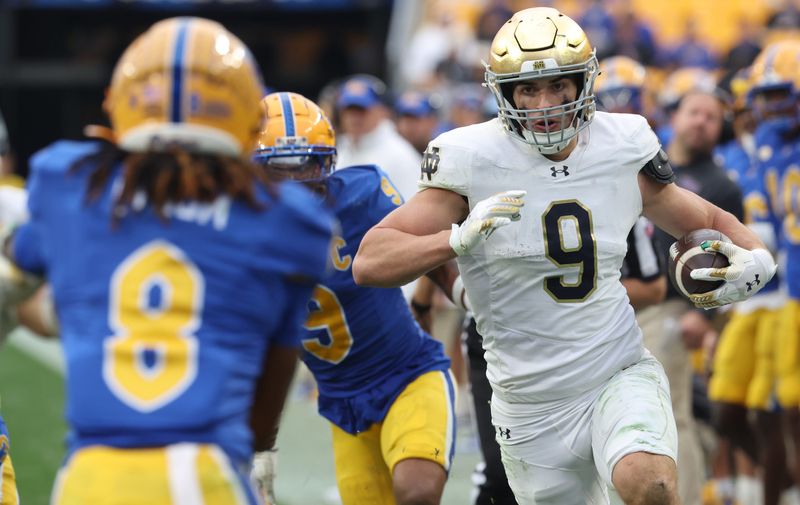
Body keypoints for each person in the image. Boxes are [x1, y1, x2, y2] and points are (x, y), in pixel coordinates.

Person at [352, 7, 777, 505]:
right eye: (528, 89)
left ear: (584, 83)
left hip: (614, 370)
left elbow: (705, 217)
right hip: (528, 402)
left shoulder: (620, 145)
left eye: (558, 85)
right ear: (503, 93)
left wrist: (757, 258)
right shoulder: (472, 159)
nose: (544, 103)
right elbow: (369, 261)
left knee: (652, 484)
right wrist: (454, 240)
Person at [6, 18, 334, 504]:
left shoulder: (70, 184)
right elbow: (267, 392)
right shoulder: (288, 221)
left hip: (89, 476)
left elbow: (19, 270)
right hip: (203, 471)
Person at [250, 92, 455, 505]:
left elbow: (421, 243)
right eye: (277, 172)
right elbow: (269, 355)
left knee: (416, 493)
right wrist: (261, 449)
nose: (293, 186)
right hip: (343, 405)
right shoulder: (240, 236)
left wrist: (463, 296)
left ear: (326, 163)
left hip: (407, 376)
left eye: (304, 167)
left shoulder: (360, 195)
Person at [748, 39, 800, 504]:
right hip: (791, 286)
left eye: (780, 93)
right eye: (764, 96)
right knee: (783, 404)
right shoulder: (768, 142)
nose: (770, 106)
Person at [335, 75, 422, 202]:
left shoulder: (400, 155)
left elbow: (414, 211)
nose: (354, 118)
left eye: (361, 110)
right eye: (349, 110)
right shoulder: (342, 147)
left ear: (381, 111)